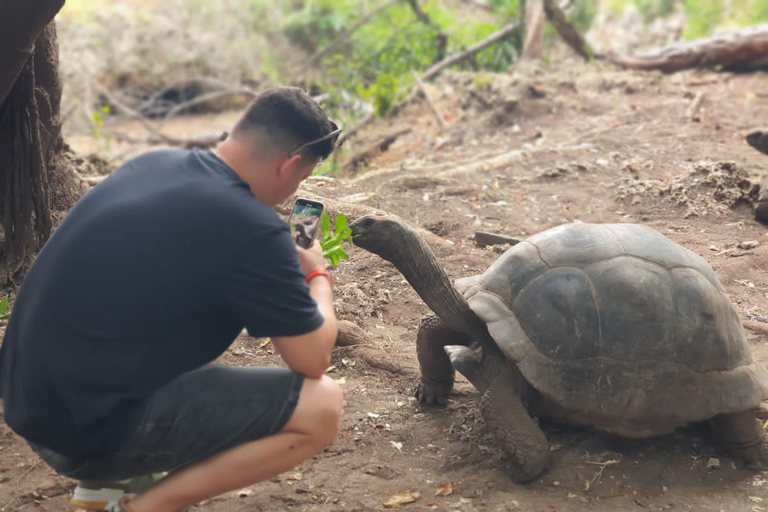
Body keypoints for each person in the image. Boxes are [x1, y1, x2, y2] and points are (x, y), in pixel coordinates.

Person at [0, 87, 344, 512]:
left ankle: (109, 487)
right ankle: (144, 506)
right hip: (80, 437)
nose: (297, 187)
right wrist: (316, 273)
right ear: (288, 164)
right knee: (322, 406)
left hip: (32, 405)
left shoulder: (157, 164)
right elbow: (312, 360)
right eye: (303, 176)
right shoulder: (251, 230)